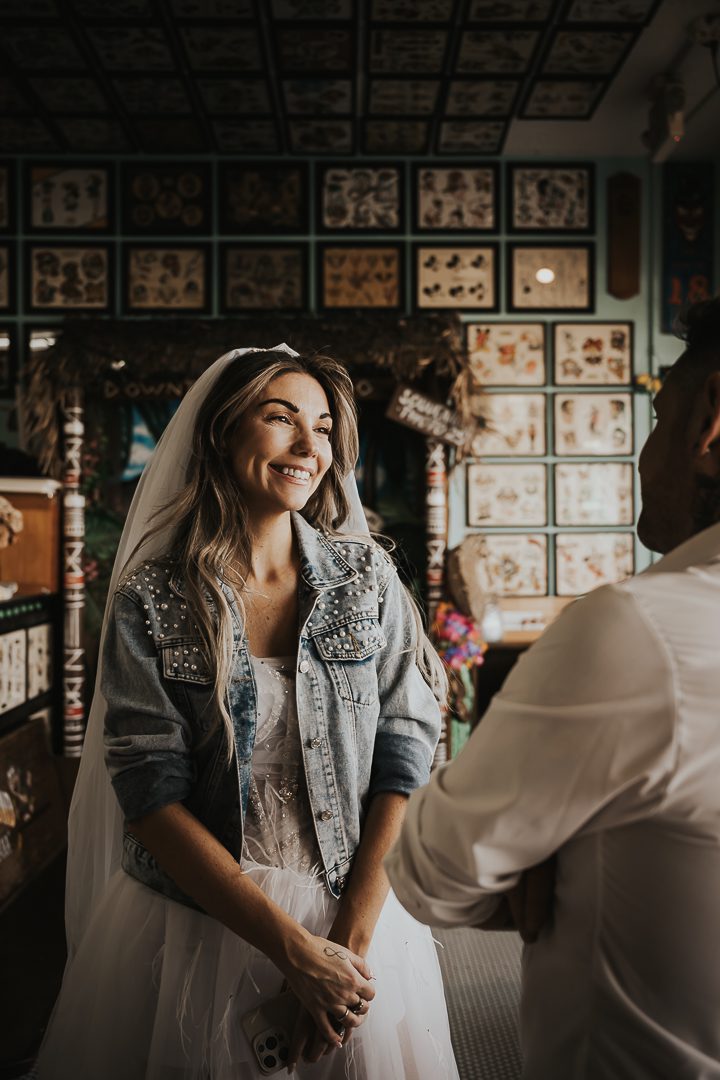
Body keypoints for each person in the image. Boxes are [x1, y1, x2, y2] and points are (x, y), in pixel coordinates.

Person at [37, 345, 459, 1080]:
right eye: (280, 418)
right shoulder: (152, 596)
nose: (308, 447)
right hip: (196, 919)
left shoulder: (368, 581)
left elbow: (406, 758)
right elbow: (150, 794)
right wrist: (292, 951)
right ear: (222, 434)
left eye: (324, 427)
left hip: (354, 909)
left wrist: (342, 958)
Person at [386, 297, 720, 1080]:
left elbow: (431, 869)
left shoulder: (639, 632)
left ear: (711, 420)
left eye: (658, 413)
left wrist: (553, 846)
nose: (642, 457)